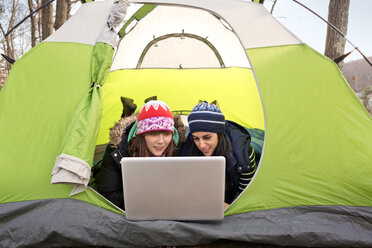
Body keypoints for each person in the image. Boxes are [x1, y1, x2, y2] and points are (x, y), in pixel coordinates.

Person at [92, 100, 185, 209]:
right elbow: (107, 196)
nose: (161, 141)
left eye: (166, 133)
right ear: (142, 135)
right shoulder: (118, 150)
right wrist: (146, 194)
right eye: (153, 133)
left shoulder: (179, 147)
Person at [179, 101, 257, 205]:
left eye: (207, 137)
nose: (201, 145)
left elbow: (244, 199)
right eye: (196, 138)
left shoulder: (243, 155)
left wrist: (229, 207)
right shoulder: (188, 148)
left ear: (219, 134)